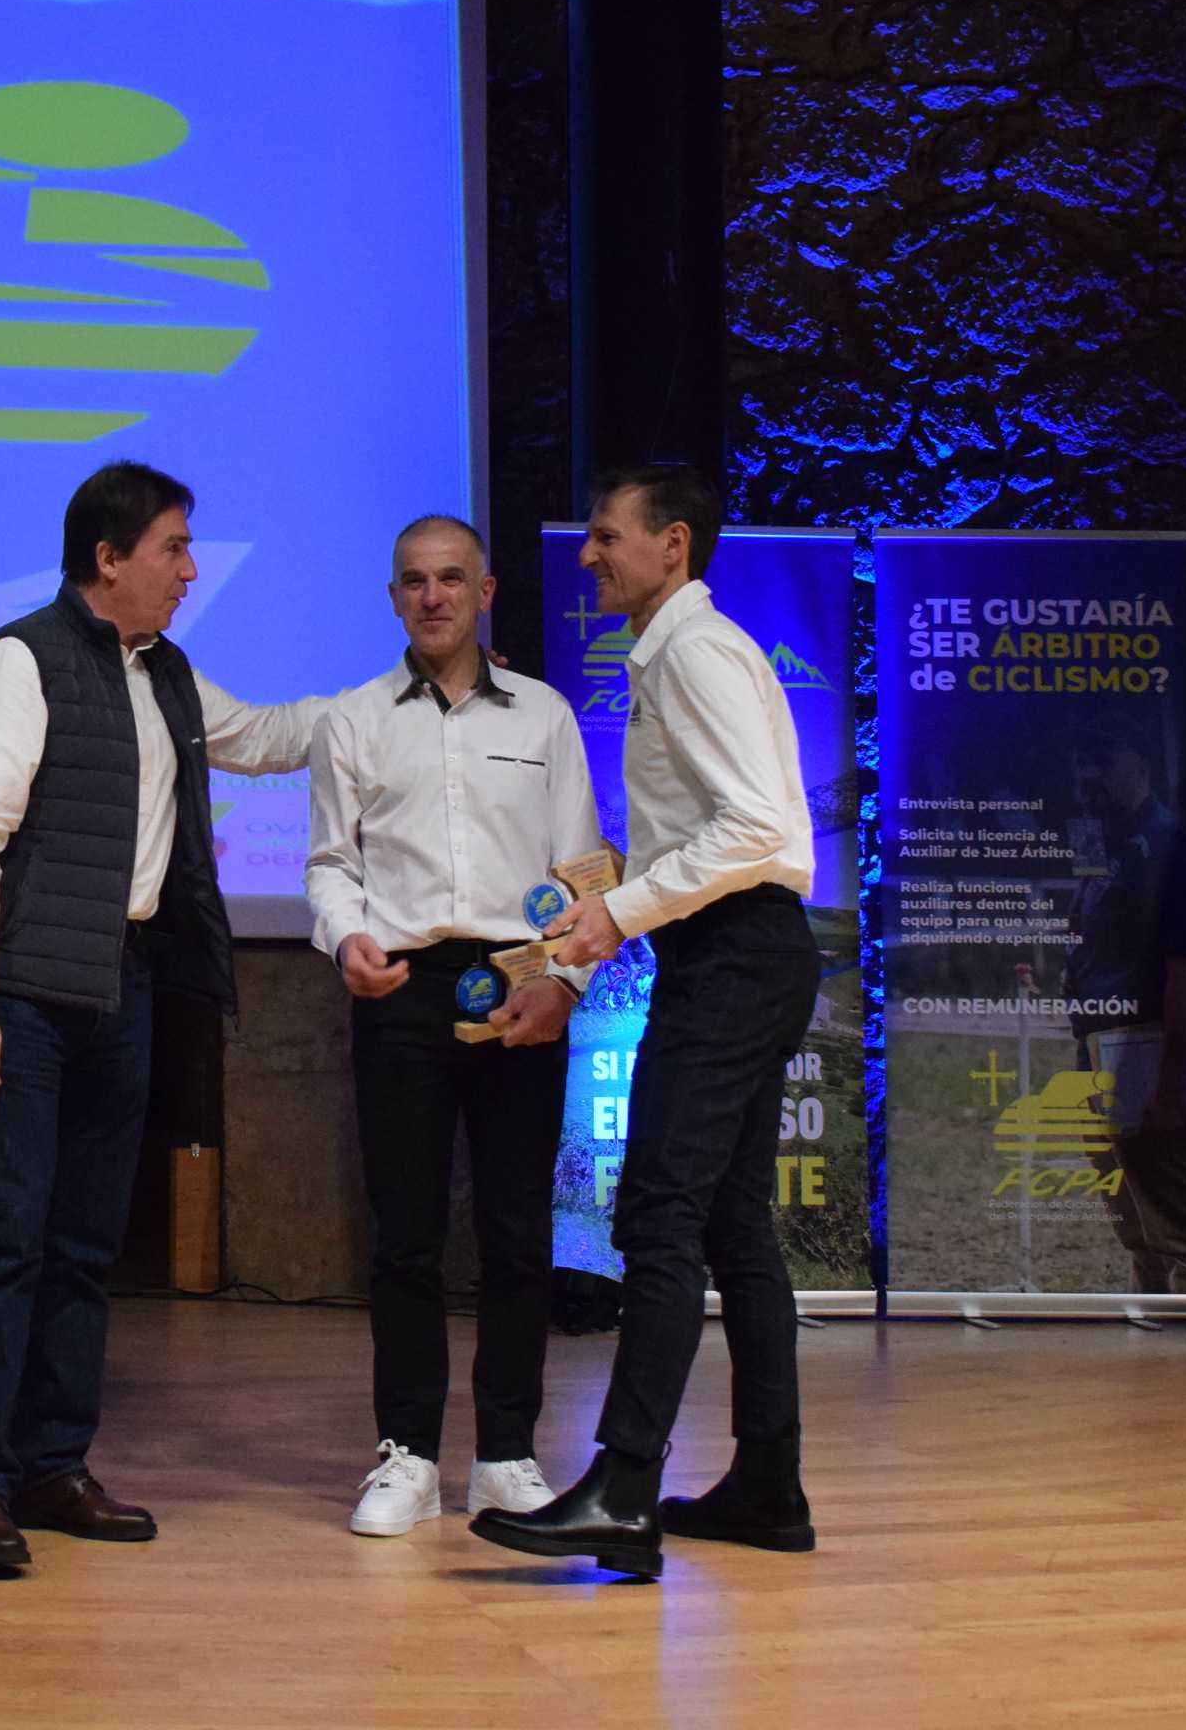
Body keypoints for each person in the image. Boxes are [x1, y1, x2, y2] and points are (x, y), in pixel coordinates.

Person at [0, 459, 330, 1575]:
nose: (190, 567)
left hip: (128, 987)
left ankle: (52, 1461)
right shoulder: (20, 657)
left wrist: (403, 689)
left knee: (84, 1248)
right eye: (172, 546)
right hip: (24, 998)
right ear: (107, 559)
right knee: (1, 1246)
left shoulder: (167, 673)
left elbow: (263, 734)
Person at [471, 464, 818, 1580]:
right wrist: (617, 894)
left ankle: (622, 1488)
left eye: (606, 536)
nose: (587, 554)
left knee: (658, 1216)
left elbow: (757, 824)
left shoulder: (691, 650)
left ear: (671, 545)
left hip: (733, 955)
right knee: (730, 1229)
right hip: (744, 951)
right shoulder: (680, 649)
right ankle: (768, 1483)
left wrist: (614, 912)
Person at [305, 515, 604, 1537]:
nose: (431, 596)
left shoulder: (546, 716)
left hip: (520, 979)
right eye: (411, 581)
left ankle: (508, 1452)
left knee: (519, 1230)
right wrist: (344, 935)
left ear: (484, 592)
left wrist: (559, 980)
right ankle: (408, 1454)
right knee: (404, 1234)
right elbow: (329, 862)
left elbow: (581, 866)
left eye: (450, 579)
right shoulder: (353, 719)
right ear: (392, 597)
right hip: (402, 988)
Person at [1065, 732, 1186, 1294]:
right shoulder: (1097, 836)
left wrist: (1171, 1082)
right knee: (1120, 1193)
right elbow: (1087, 927)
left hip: (1144, 1045)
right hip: (1093, 1041)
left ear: (1141, 761)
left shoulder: (1167, 842)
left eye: (1101, 756)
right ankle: (1147, 1296)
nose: (1088, 776)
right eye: (1081, 762)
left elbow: (1185, 968)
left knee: (1173, 1199)